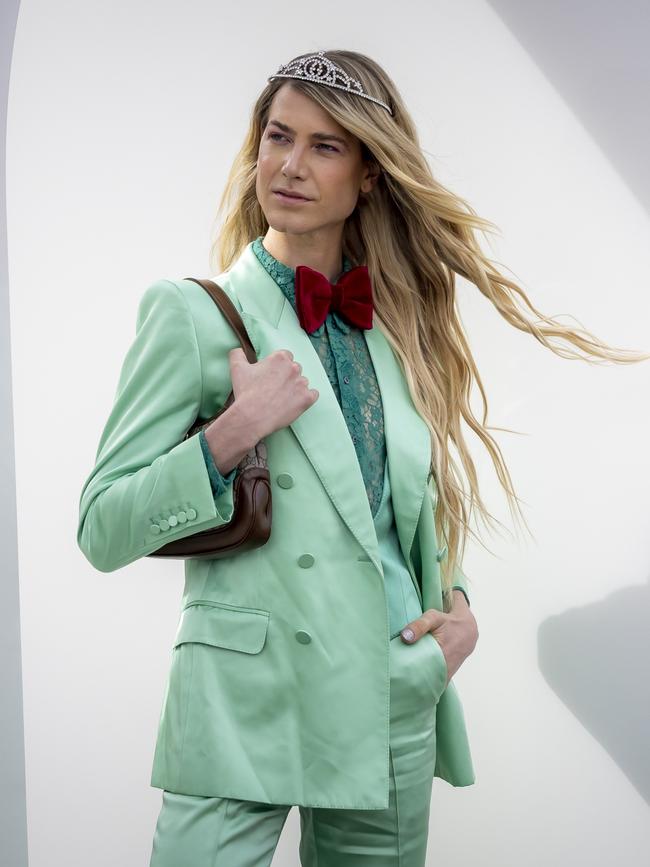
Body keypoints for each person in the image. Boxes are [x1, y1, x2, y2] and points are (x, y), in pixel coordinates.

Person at [77, 49, 648, 867]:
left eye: (325, 145)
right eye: (278, 136)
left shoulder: (398, 324)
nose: (290, 165)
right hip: (245, 696)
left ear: (371, 172)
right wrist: (230, 432)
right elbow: (101, 526)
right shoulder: (194, 315)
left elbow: (407, 507)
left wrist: (455, 609)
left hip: (389, 685)